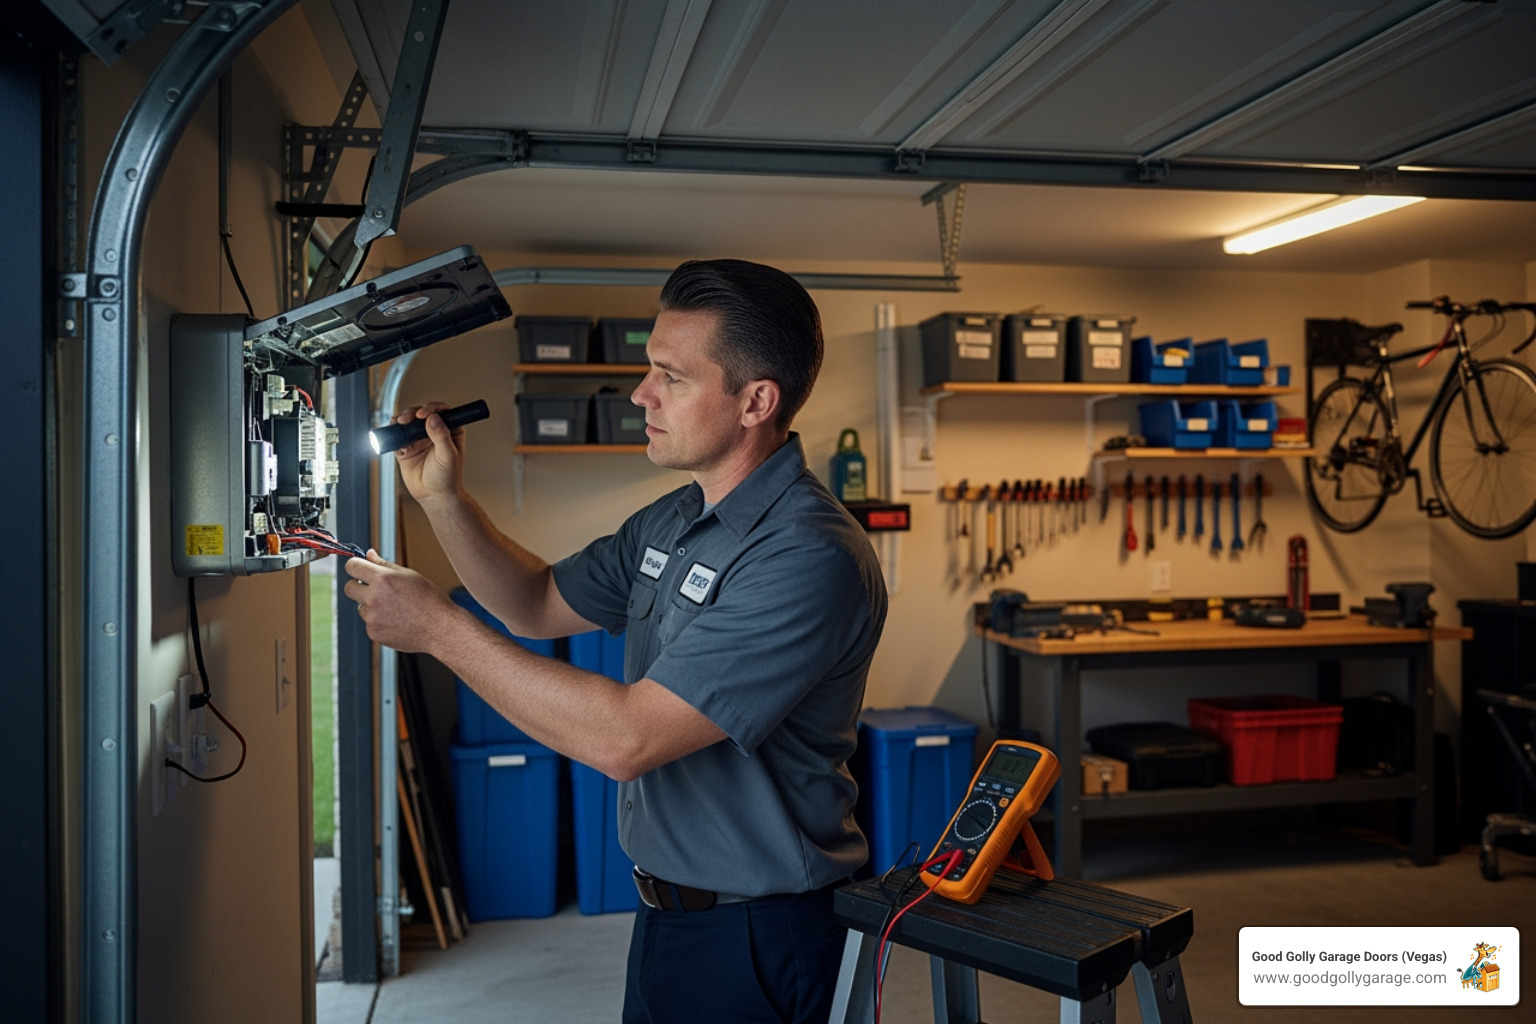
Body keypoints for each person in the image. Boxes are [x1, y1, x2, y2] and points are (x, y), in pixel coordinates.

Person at [344, 258, 888, 1024]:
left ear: (755, 401)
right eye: (647, 370)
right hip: (669, 914)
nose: (641, 394)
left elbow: (628, 737)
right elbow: (534, 603)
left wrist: (439, 629)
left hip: (763, 932)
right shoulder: (673, 518)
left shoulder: (807, 556)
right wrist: (444, 500)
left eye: (671, 376)